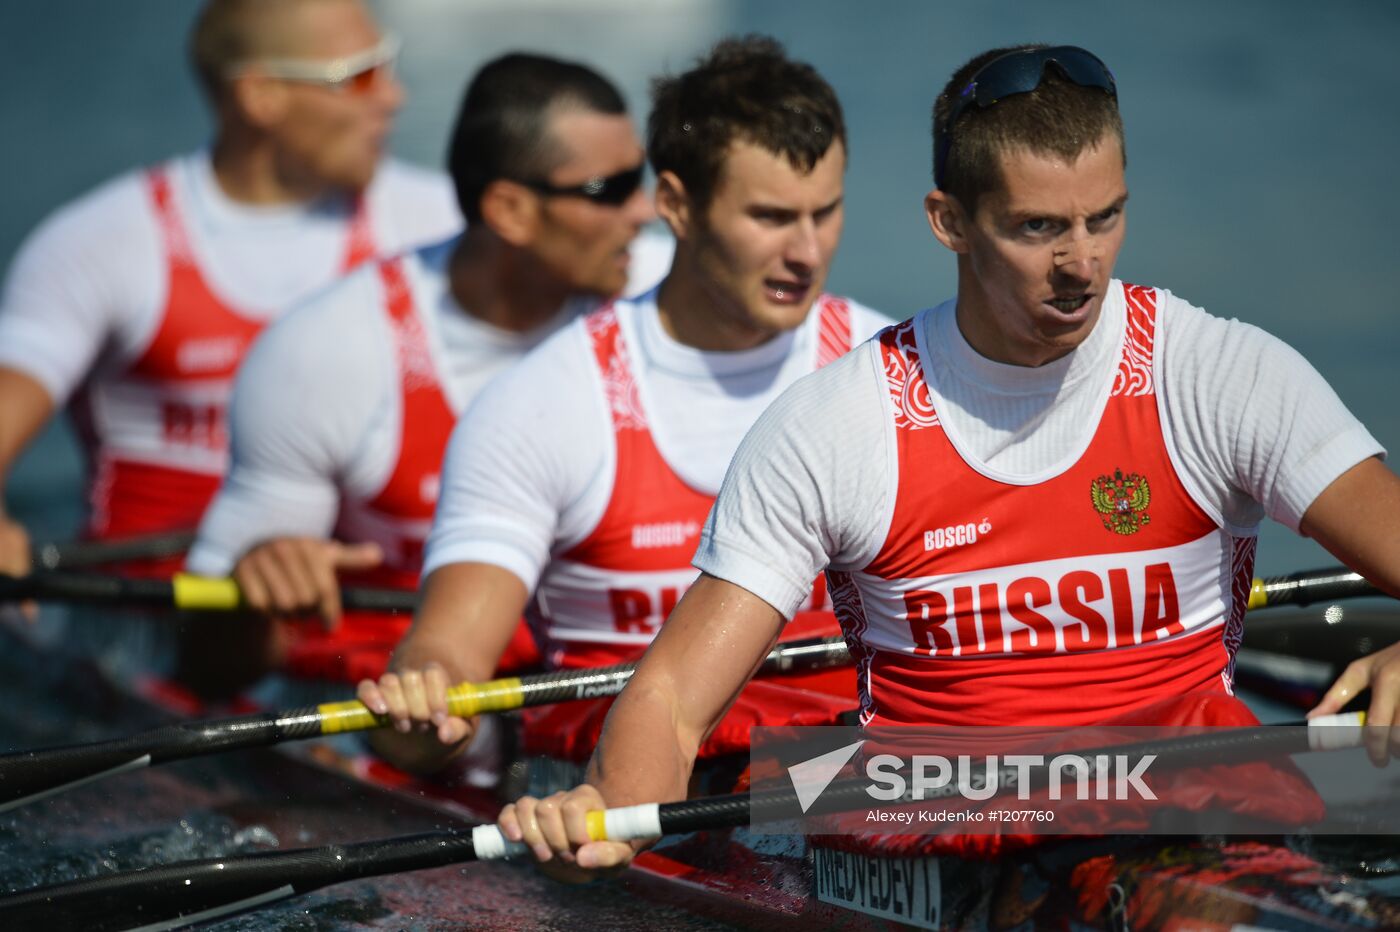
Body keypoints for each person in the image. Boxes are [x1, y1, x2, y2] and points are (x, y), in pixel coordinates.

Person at [498, 44, 1400, 872]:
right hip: (943, 835)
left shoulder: (1219, 377)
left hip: (1186, 805)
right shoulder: (839, 425)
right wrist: (618, 813)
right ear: (950, 221)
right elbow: (670, 703)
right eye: (1040, 228)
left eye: (1107, 217)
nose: (1083, 264)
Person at [355, 36, 889, 775]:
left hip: (835, 780)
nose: (807, 251)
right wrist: (426, 696)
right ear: (674, 203)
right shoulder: (544, 403)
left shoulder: (885, 370)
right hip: (613, 794)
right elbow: (450, 648)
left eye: (824, 212)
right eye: (770, 217)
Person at [182, 52, 666, 694]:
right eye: (612, 189)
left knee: (833, 784)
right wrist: (256, 585)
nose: (647, 210)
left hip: (601, 716)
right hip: (407, 726)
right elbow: (205, 672)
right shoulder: (328, 352)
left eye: (645, 177)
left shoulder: (670, 299)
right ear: (511, 210)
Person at [0, 0, 462, 580]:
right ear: (260, 96)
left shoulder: (437, 223)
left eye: (388, 67)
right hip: (157, 622)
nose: (393, 97)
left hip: (358, 615)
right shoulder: (106, 243)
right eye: (361, 76)